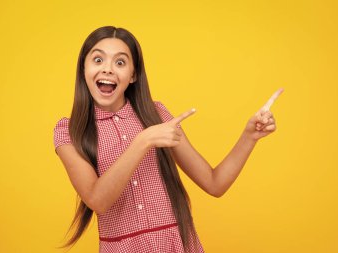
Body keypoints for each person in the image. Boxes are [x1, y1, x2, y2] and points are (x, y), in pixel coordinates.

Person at [53, 26, 283, 253]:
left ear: (133, 75)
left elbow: (215, 183)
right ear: (83, 67)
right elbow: (97, 201)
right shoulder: (68, 131)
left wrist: (249, 136)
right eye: (98, 60)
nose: (109, 70)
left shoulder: (157, 115)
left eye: (120, 62)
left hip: (177, 245)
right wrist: (143, 141)